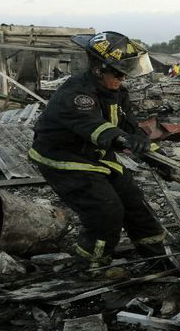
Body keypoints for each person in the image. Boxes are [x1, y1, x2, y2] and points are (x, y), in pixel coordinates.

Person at [29, 31, 171, 269]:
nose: (123, 78)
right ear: (98, 70)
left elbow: (129, 126)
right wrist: (123, 139)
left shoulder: (116, 92)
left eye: (125, 73)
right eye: (118, 73)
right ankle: (91, 266)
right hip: (64, 159)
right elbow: (97, 128)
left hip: (97, 157)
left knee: (136, 205)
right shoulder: (77, 94)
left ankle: (157, 259)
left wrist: (155, 155)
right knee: (105, 211)